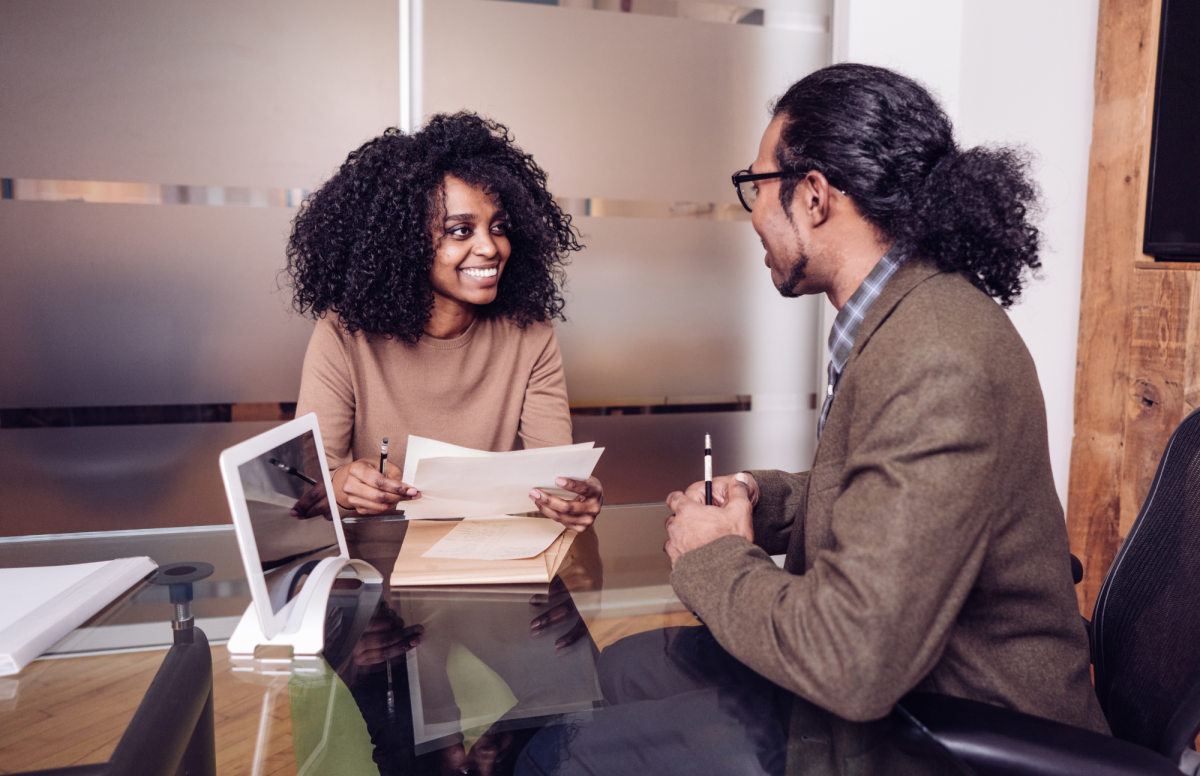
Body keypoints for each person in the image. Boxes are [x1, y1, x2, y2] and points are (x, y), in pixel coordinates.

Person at [518, 63, 1109, 775]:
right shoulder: (903, 316)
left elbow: (851, 664)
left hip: (944, 729)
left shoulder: (938, 357)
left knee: (560, 757)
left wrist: (714, 555)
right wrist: (760, 502)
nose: (752, 214)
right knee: (620, 670)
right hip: (905, 688)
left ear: (816, 196)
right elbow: (884, 502)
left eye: (757, 187)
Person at [286, 112, 603, 531]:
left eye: (499, 227)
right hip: (375, 569)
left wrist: (575, 496)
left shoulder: (530, 331)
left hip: (489, 562)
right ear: (404, 242)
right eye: (460, 231)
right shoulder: (344, 334)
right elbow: (306, 491)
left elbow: (556, 475)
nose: (490, 248)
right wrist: (343, 486)